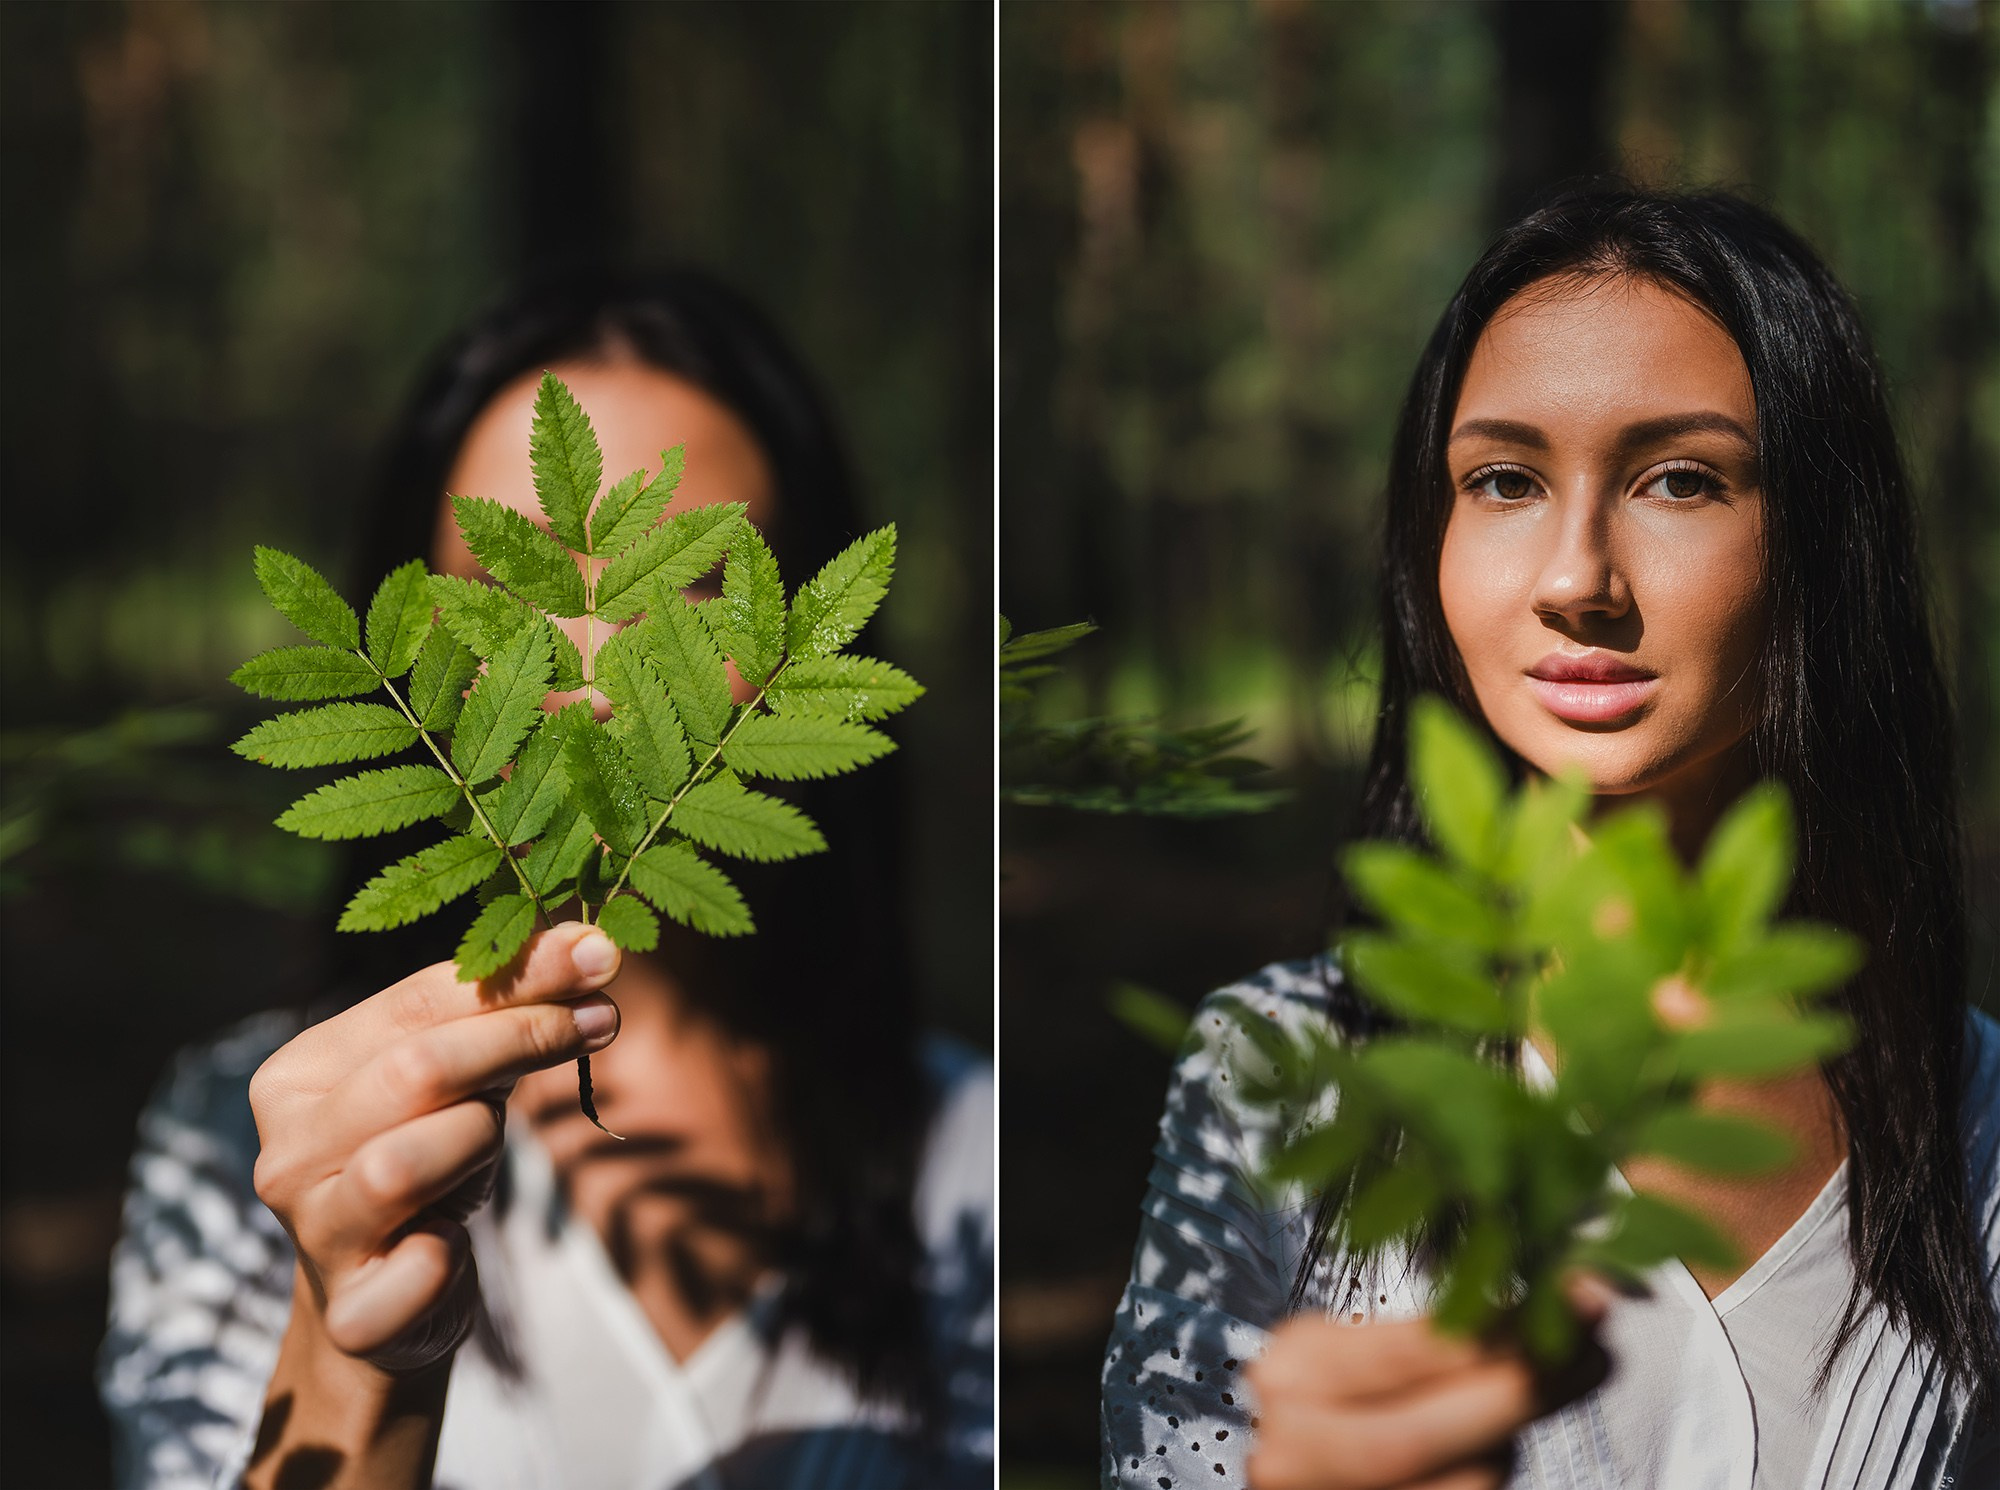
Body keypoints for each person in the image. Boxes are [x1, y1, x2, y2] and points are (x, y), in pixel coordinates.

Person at [1099, 184, 2000, 1490]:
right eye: (1504, 480)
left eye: (1682, 479)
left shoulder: (1975, 1129)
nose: (1577, 575)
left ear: (1823, 538)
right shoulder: (1279, 1077)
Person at [99, 271, 993, 1490]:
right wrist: (359, 1348)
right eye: (508, 585)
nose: (592, 673)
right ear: (404, 635)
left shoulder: (962, 1151)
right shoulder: (245, 1134)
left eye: (687, 586)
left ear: (811, 650)